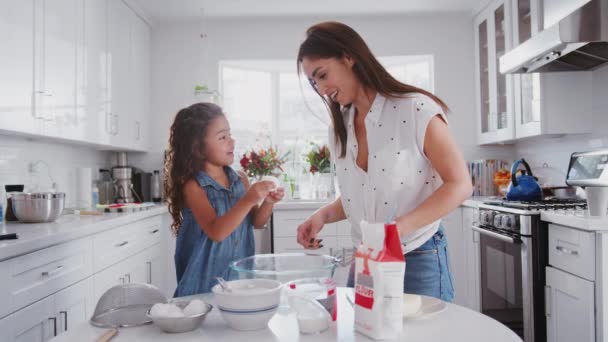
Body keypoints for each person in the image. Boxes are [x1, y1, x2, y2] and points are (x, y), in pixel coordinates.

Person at [296, 22, 472, 302]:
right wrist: (323, 216)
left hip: (417, 256)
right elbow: (364, 194)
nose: (321, 89)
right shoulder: (340, 126)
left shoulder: (415, 108)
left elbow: (460, 184)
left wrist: (396, 230)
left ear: (348, 57)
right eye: (313, 82)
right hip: (367, 258)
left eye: (323, 75)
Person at [164, 102, 284, 296]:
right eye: (222, 137)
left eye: (230, 134)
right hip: (202, 284)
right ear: (198, 148)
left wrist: (268, 202)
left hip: (236, 283)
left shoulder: (240, 179)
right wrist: (249, 198)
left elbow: (256, 222)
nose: (232, 141)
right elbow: (216, 232)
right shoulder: (193, 186)